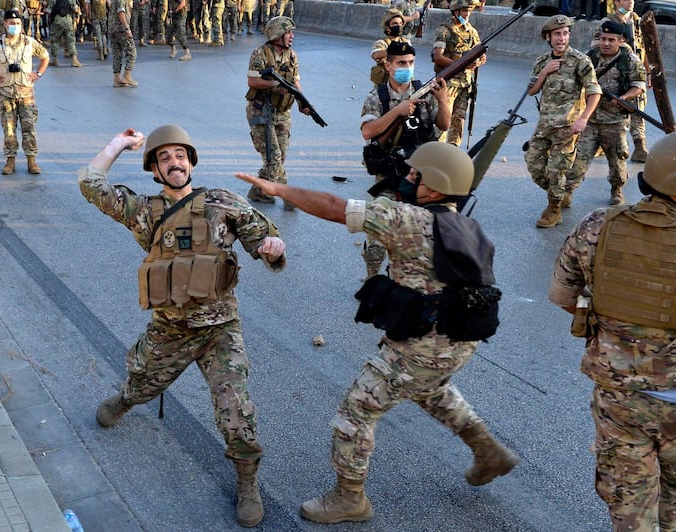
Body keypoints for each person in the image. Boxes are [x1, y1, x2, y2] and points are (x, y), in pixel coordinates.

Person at [233, 141, 518, 524]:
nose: (408, 178)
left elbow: (337, 208)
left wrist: (280, 189)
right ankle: (488, 451)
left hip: (421, 346)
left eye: (416, 175)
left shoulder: (406, 219)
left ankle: (350, 498)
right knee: (429, 388)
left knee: (356, 413)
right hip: (457, 340)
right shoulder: (470, 227)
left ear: (434, 189)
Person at [80, 125, 287, 529]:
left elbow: (262, 238)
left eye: (180, 155)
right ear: (155, 171)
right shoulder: (143, 210)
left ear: (190, 161)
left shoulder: (223, 202)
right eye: (164, 158)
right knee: (144, 383)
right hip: (170, 331)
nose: (174, 162)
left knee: (235, 409)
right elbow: (90, 184)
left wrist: (272, 250)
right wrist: (119, 143)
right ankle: (125, 399)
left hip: (220, 330)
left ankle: (247, 482)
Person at [548, 132, 676, 532]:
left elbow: (562, 296)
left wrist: (609, 317)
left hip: (622, 400)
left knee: (631, 512)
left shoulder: (598, 226)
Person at [360, 40, 450, 279]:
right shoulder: (377, 97)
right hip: (390, 174)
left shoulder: (424, 91)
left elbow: (444, 124)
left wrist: (442, 100)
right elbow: (368, 132)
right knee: (378, 239)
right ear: (389, 66)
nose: (407, 67)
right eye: (401, 63)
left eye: (410, 63)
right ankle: (372, 277)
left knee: (419, 235)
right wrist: (397, 112)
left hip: (422, 174)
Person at [524, 15, 601, 228]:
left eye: (565, 33)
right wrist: (545, 71)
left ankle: (553, 209)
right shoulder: (541, 61)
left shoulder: (580, 61)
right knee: (533, 164)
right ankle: (561, 192)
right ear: (548, 37)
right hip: (544, 126)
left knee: (557, 170)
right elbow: (531, 91)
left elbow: (595, 92)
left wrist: (583, 119)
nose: (562, 38)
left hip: (567, 128)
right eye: (557, 34)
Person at [564, 21, 646, 207]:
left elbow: (639, 86)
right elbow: (574, 80)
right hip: (590, 120)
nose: (606, 43)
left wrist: (623, 97)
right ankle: (568, 191)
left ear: (621, 40)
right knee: (579, 159)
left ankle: (616, 190)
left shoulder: (630, 60)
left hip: (615, 121)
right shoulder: (589, 58)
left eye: (611, 40)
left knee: (617, 160)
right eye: (603, 39)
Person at [244, 16, 309, 209]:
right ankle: (289, 196)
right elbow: (252, 81)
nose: (291, 36)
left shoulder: (292, 55)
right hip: (261, 111)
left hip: (283, 112)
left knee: (279, 156)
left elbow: (295, 82)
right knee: (274, 158)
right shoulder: (261, 54)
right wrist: (276, 84)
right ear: (277, 35)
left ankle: (257, 190)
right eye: (288, 32)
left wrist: (302, 102)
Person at [0, 9, 49, 175]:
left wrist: (38, 74)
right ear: (5, 24)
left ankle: (32, 160)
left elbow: (45, 56)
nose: (14, 26)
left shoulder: (29, 42)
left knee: (29, 128)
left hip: (26, 93)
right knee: (9, 129)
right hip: (6, 93)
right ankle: (10, 161)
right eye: (11, 23)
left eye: (17, 23)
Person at [591, 0, 651, 162]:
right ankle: (599, 144)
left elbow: (644, 47)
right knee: (606, 110)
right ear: (616, 2)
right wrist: (620, 46)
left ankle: (640, 146)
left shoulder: (637, 21)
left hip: (634, 71)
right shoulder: (607, 22)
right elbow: (596, 46)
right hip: (613, 72)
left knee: (637, 109)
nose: (630, 2)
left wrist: (648, 71)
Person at [432, 0, 485, 147]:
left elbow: (481, 54)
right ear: (456, 12)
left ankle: (452, 149)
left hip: (466, 83)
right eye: (464, 11)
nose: (467, 14)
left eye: (468, 11)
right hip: (448, 82)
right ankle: (436, 149)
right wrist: (460, 64)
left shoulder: (471, 31)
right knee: (443, 118)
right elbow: (438, 56)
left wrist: (478, 62)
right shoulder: (445, 30)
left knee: (459, 119)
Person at [369, 8, 412, 86]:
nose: (398, 26)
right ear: (388, 27)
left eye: (400, 23)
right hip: (385, 83)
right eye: (395, 24)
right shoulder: (382, 43)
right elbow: (375, 55)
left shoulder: (406, 42)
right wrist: (390, 51)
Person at [109, 0, 137, 87]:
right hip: (121, 29)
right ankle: (127, 76)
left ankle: (117, 79)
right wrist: (127, 28)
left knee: (117, 54)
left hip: (112, 29)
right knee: (132, 52)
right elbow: (121, 12)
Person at [47, 0, 81, 66]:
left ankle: (54, 60)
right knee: (70, 40)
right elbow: (76, 9)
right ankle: (74, 59)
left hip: (57, 20)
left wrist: (50, 19)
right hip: (68, 20)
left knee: (55, 40)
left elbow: (49, 11)